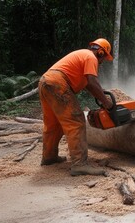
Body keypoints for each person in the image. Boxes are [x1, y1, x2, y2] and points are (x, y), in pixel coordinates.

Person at [38, 38, 114, 176]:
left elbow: (88, 85)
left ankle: (49, 157)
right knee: (76, 121)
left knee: (53, 123)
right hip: (58, 83)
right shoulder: (91, 57)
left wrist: (101, 97)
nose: (102, 63)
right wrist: (106, 102)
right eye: (104, 58)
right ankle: (79, 164)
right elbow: (92, 81)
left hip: (45, 81)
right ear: (101, 52)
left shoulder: (82, 56)